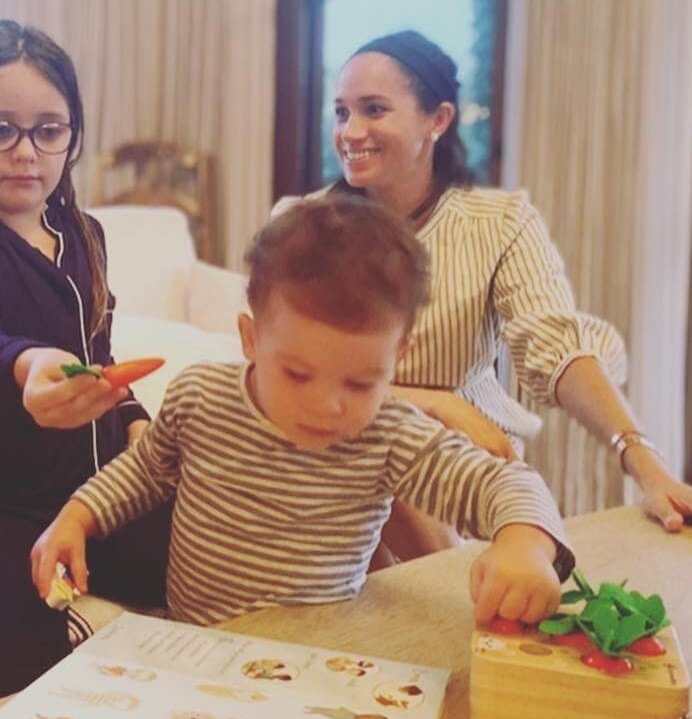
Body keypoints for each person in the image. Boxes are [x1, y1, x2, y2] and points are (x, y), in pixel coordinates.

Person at [31, 196, 575, 633]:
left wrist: (525, 543)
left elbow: (504, 484)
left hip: (319, 652)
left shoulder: (388, 433)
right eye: (296, 374)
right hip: (195, 642)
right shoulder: (200, 396)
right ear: (250, 338)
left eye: (360, 382)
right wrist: (78, 517)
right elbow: (145, 471)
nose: (327, 405)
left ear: (399, 357)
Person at [275, 29, 691, 559]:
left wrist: (646, 465)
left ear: (438, 120)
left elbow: (557, 349)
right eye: (341, 112)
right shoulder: (299, 226)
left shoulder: (500, 223)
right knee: (370, 440)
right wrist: (433, 402)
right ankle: (450, 590)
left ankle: (460, 582)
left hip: (464, 480)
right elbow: (273, 376)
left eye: (373, 110)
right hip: (332, 465)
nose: (350, 132)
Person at [0, 21, 170, 694]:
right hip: (13, 506)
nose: (25, 153)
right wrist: (24, 363)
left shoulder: (83, 232)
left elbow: (99, 354)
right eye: (1, 129)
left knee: (218, 558)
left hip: (102, 492)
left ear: (72, 136)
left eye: (48, 130)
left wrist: (135, 419)